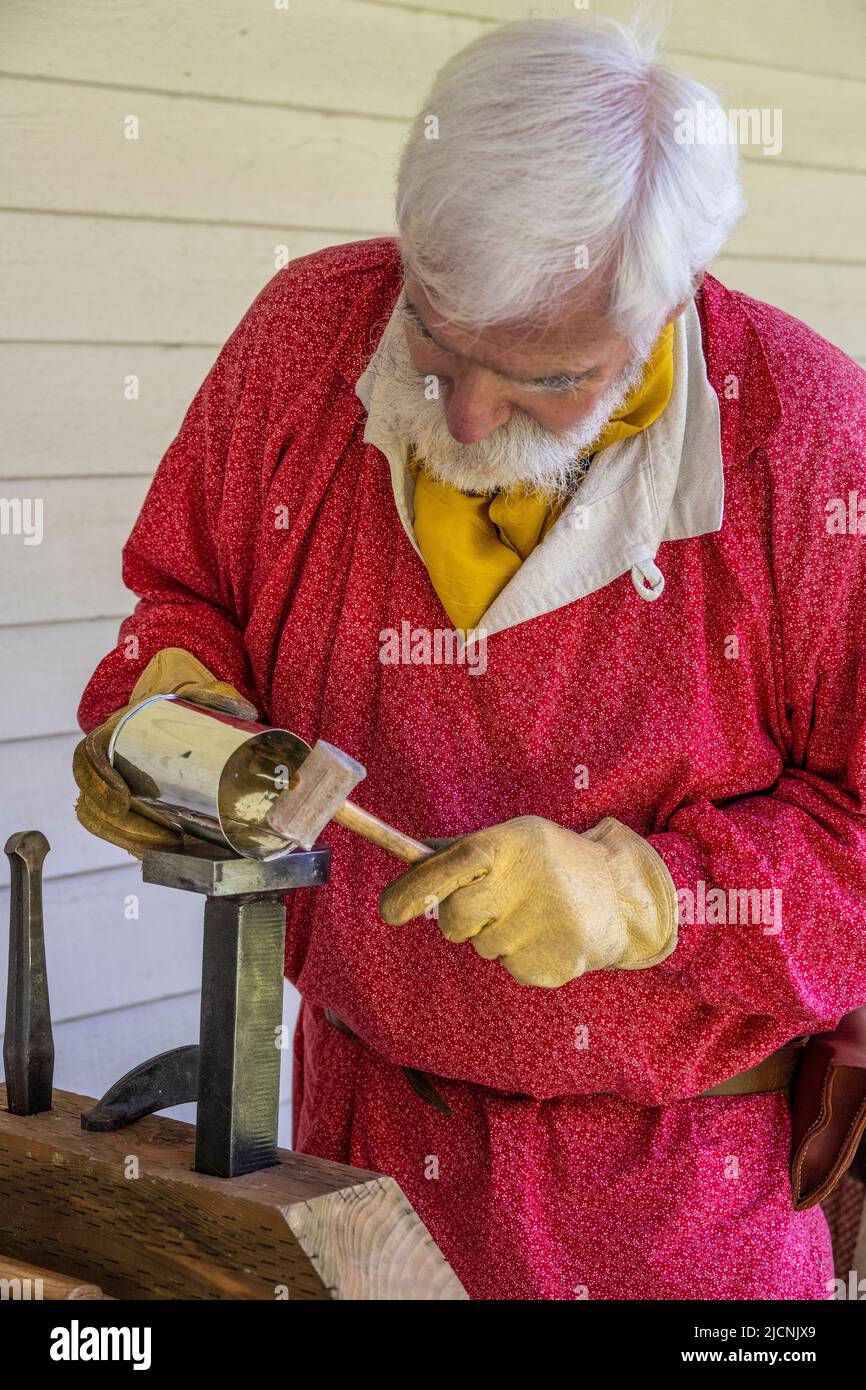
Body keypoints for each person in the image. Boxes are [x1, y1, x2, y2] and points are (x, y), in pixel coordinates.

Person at [73, 17, 866, 1299]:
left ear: (660, 306)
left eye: (543, 377)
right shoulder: (307, 336)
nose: (465, 418)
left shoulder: (812, 442)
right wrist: (173, 707)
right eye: (436, 348)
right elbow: (185, 593)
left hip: (674, 1191)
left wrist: (644, 898)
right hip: (355, 1149)